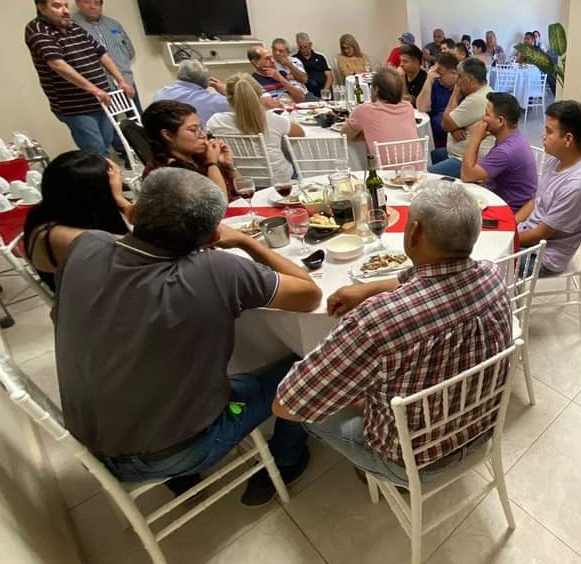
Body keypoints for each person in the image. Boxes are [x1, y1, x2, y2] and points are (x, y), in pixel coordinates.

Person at [49, 167, 321, 505]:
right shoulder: (216, 270)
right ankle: (287, 458)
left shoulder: (84, 246)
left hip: (91, 445)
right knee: (308, 366)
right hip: (181, 449)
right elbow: (310, 294)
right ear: (210, 239)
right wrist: (246, 241)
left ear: (135, 212)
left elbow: (58, 316)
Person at [273, 180, 512, 484]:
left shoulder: (376, 322)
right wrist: (369, 288)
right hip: (481, 430)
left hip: (413, 461)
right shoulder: (492, 274)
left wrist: (358, 396)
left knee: (311, 409)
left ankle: (374, 468)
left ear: (414, 232)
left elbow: (287, 403)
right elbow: (430, 279)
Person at [25, 0, 135, 155]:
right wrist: (94, 89)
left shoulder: (73, 26)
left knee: (106, 145)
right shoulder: (37, 29)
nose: (65, 11)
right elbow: (57, 64)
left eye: (66, 5)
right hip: (75, 106)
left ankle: (106, 177)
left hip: (101, 100)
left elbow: (101, 53)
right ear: (41, 7)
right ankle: (103, 180)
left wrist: (121, 80)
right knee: (96, 152)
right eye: (57, 6)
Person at [515, 101, 581, 276]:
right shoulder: (557, 158)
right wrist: (511, 223)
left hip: (543, 257)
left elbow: (540, 234)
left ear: (568, 139)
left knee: (485, 262)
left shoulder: (578, 185)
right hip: (528, 237)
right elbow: (536, 201)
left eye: (549, 131)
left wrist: (507, 238)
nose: (542, 136)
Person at [23, 151, 131, 292]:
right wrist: (120, 199)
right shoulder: (75, 238)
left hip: (95, 296)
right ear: (96, 195)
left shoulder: (45, 213)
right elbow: (147, 247)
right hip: (94, 309)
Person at [207, 73, 305, 178]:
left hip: (240, 179)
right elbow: (300, 133)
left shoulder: (216, 121)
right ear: (259, 95)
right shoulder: (272, 119)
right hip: (280, 179)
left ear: (228, 97)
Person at [142, 100, 239, 200]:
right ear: (168, 135)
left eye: (201, 128)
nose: (203, 135)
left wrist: (229, 166)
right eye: (193, 130)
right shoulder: (165, 173)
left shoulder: (198, 156)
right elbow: (218, 205)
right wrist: (212, 164)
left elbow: (243, 190)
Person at [460, 92, 538, 215]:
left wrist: (475, 139)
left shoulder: (506, 151)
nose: (482, 118)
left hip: (506, 210)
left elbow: (466, 174)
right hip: (501, 199)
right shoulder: (514, 137)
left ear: (501, 121)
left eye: (487, 114)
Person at [71, 0, 138, 109]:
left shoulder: (113, 24)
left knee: (138, 121)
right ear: (77, 3)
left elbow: (129, 51)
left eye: (96, 3)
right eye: (87, 1)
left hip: (125, 81)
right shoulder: (72, 26)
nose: (92, 6)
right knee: (110, 125)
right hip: (98, 87)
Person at [428, 57, 493, 176]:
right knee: (435, 154)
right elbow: (451, 123)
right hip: (460, 154)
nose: (457, 80)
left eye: (460, 76)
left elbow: (445, 124)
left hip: (467, 160)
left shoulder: (476, 99)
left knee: (428, 174)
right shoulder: (483, 92)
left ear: (470, 79)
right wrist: (454, 128)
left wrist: (454, 94)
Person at [341, 67, 419, 162]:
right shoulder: (408, 107)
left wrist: (367, 133)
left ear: (376, 90)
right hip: (416, 171)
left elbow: (345, 135)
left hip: (385, 174)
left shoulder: (365, 110)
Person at [153, 60, 231, 125]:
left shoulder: (159, 94)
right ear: (208, 81)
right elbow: (240, 106)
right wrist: (226, 91)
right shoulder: (214, 101)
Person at [415, 51, 459, 149]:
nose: (437, 77)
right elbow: (422, 107)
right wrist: (429, 79)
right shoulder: (435, 83)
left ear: (454, 73)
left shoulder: (462, 87)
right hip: (436, 133)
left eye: (441, 74)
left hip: (454, 133)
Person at [294, 33, 334, 97]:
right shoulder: (295, 59)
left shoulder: (320, 57)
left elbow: (329, 76)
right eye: (301, 47)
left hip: (324, 88)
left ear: (310, 45)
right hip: (308, 90)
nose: (303, 50)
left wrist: (325, 90)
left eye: (305, 47)